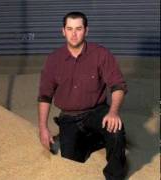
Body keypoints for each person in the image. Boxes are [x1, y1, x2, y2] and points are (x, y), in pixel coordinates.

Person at [38, 12, 127, 180]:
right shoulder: (53, 60)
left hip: (96, 112)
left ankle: (114, 176)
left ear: (86, 31)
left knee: (116, 131)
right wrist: (43, 127)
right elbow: (45, 95)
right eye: (69, 29)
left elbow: (118, 85)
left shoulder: (101, 54)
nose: (74, 34)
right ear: (62, 31)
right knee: (71, 160)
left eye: (78, 29)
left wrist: (113, 112)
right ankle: (96, 140)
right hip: (68, 117)